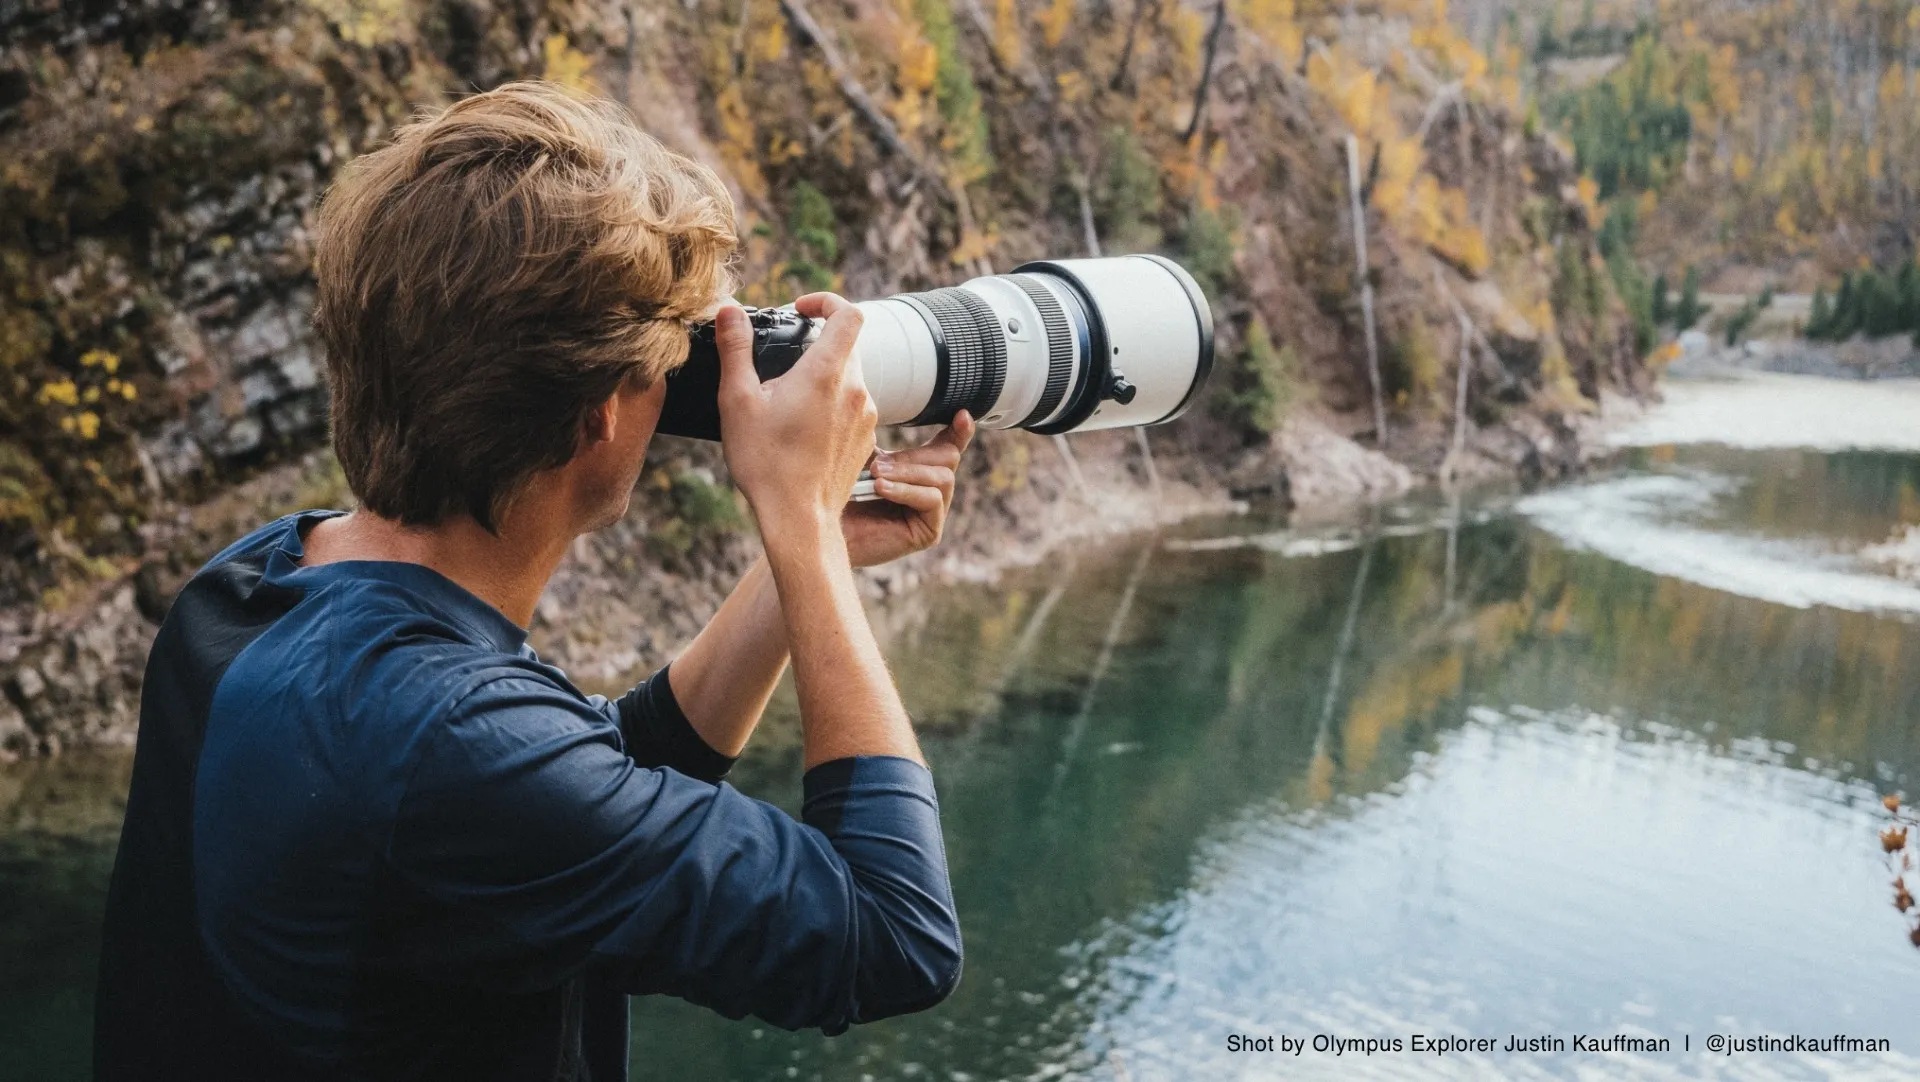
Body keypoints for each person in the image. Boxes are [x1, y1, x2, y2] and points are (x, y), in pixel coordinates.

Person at [93, 81, 972, 1081]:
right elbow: (894, 932)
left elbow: (594, 775)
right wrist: (800, 522)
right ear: (601, 415)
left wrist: (814, 557)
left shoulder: (253, 583)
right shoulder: (449, 742)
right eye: (667, 364)